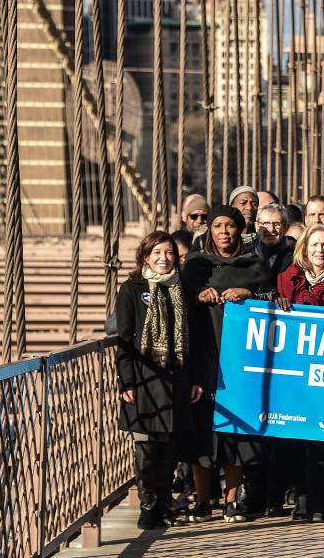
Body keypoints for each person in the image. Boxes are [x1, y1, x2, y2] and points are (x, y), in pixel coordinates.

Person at [181, 205, 276, 524]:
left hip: (241, 360)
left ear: (240, 230)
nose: (224, 232)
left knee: (236, 431)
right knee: (203, 431)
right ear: (209, 230)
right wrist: (197, 297)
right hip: (203, 358)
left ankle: (232, 499)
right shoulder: (195, 266)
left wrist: (248, 294)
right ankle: (204, 501)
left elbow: (274, 301)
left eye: (230, 226)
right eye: (218, 226)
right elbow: (178, 306)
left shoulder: (255, 265)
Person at [117, 231, 202, 529]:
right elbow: (124, 339)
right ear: (145, 257)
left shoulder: (182, 289)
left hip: (176, 377)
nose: (163, 259)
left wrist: (195, 379)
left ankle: (165, 503)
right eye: (157, 253)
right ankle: (148, 504)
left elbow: (195, 340)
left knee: (169, 447)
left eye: (168, 253)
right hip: (144, 378)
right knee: (147, 446)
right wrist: (126, 383)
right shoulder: (132, 289)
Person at [275, 224, 324, 522]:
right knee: (296, 438)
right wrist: (277, 302)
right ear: (304, 249)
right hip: (294, 372)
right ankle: (302, 499)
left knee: (323, 438)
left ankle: (320, 501)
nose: (320, 250)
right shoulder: (286, 279)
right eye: (314, 245)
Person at [250, 203, 296, 281]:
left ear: (286, 227)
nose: (271, 229)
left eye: (276, 224)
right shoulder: (246, 254)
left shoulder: (296, 258)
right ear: (257, 226)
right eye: (266, 223)